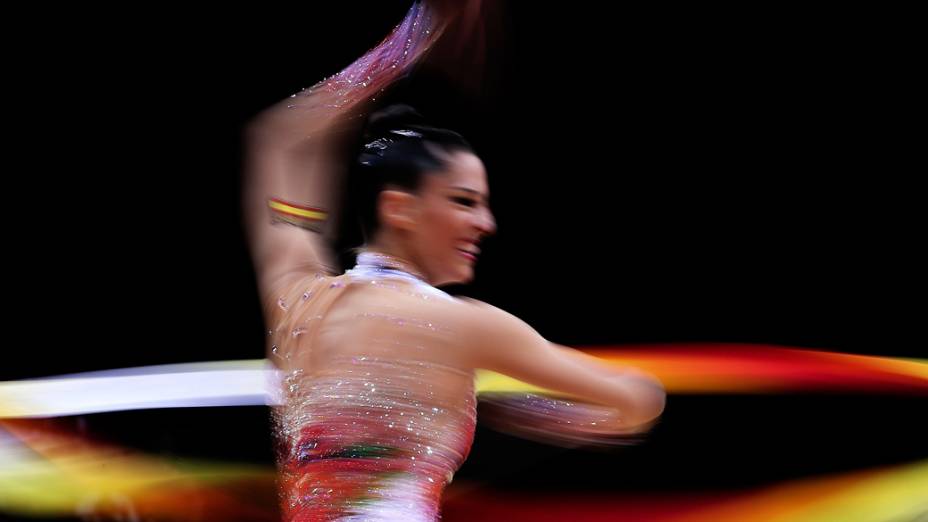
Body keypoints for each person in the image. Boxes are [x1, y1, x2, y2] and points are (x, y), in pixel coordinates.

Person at [244, 2, 665, 519]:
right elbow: (637, 398)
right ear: (399, 208)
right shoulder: (464, 325)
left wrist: (403, 46)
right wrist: (549, 415)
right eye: (464, 201)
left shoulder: (301, 300)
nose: (486, 223)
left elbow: (282, 141)